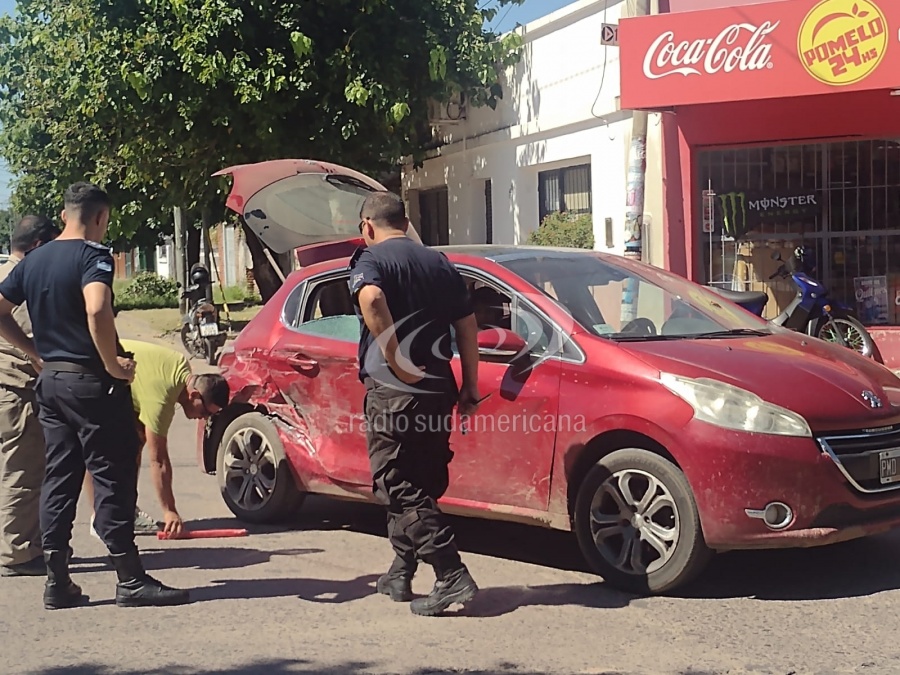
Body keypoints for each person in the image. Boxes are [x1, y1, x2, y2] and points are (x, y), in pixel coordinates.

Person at [0, 182, 189, 609]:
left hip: (51, 384)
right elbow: (96, 307)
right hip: (92, 383)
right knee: (111, 477)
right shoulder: (93, 255)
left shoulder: (34, 260)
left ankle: (56, 580)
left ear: (65, 214)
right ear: (100, 217)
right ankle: (130, 579)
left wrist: (36, 354)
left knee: (59, 479)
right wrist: (112, 364)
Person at [349, 191, 482, 617]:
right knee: (419, 480)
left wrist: (393, 358)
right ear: (405, 223)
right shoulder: (439, 263)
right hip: (438, 387)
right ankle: (401, 570)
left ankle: (449, 573)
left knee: (397, 484)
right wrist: (470, 387)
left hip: (396, 392)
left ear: (367, 227)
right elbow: (467, 325)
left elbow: (371, 299)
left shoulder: (370, 260)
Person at [82, 339, 230, 538]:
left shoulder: (182, 367)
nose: (204, 418)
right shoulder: (162, 398)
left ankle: (127, 510)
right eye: (205, 411)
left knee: (135, 442)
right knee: (99, 450)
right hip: (90, 371)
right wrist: (169, 510)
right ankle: (98, 519)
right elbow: (158, 461)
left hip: (121, 385)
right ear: (193, 394)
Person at [0, 216, 61, 576]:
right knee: (22, 471)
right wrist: (36, 354)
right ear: (38, 246)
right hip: (17, 389)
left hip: (9, 388)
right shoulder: (20, 283)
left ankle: (23, 543)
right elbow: (36, 338)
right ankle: (19, 552)